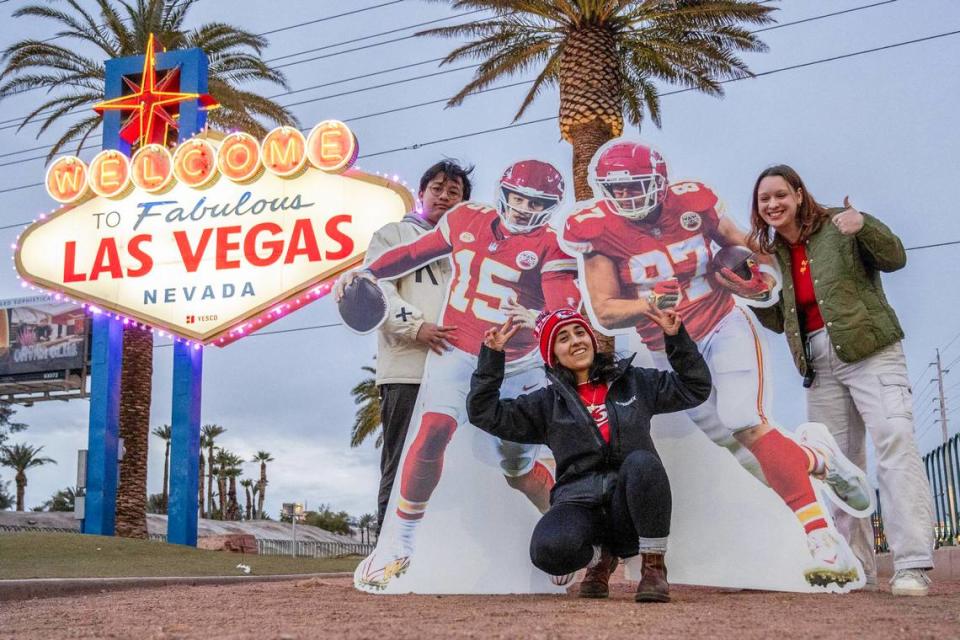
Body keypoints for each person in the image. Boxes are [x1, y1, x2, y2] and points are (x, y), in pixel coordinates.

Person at [562, 140, 871, 588]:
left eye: (637, 187)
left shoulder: (693, 203)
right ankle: (818, 461)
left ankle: (818, 535)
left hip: (722, 324)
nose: (628, 197)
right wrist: (647, 303)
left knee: (744, 418)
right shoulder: (597, 230)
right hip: (667, 347)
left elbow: (751, 248)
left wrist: (761, 280)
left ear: (660, 182)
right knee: (739, 447)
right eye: (618, 189)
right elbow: (606, 310)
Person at [343, 160, 581, 591]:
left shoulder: (552, 244)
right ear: (503, 193)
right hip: (459, 349)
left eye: (538, 202)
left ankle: (561, 532)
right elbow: (414, 253)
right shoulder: (465, 219)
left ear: (551, 207)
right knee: (433, 428)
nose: (526, 209)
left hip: (517, 365)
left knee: (519, 469)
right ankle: (400, 542)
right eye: (520, 198)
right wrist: (369, 272)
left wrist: (542, 316)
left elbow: (564, 301)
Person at [747, 164, 936, 596]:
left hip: (871, 350)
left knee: (894, 440)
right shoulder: (774, 255)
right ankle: (855, 566)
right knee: (834, 463)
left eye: (780, 195)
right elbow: (780, 320)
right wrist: (756, 295)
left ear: (798, 194)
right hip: (817, 361)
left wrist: (864, 226)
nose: (773, 204)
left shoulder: (838, 224)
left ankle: (911, 564)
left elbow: (895, 256)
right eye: (764, 200)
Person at [467, 307, 711, 602]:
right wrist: (492, 358)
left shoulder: (634, 382)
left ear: (593, 341)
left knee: (643, 462)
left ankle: (654, 567)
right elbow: (484, 413)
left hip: (629, 507)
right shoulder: (546, 404)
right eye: (563, 338)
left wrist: (676, 339)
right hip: (579, 501)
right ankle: (599, 558)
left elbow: (695, 387)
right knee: (547, 551)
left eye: (580, 332)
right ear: (552, 354)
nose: (576, 341)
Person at [336, 160, 473, 534]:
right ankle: (388, 554)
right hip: (408, 371)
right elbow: (375, 288)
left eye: (454, 192)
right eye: (437, 189)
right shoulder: (394, 235)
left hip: (461, 372)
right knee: (401, 464)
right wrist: (417, 327)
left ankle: (441, 555)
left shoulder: (469, 244)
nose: (444, 196)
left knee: (455, 466)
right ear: (422, 192)